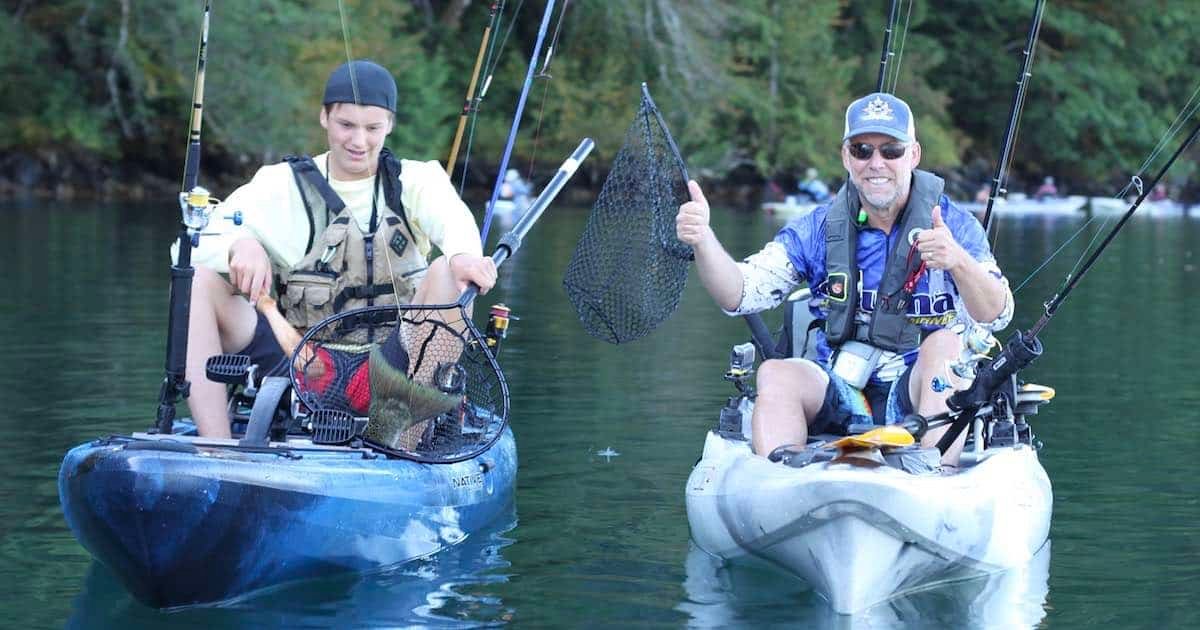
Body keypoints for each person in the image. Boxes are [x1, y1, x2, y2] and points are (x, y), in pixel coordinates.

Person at [676, 92, 1013, 466]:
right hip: (840, 391)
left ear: (913, 155)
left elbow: (996, 314)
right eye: (862, 149)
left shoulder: (955, 225)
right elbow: (740, 293)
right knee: (775, 372)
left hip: (918, 394)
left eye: (892, 150)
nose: (876, 163)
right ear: (846, 157)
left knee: (945, 346)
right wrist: (703, 240)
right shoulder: (818, 227)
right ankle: (785, 478)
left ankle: (936, 473)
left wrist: (958, 262)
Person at [175, 59, 497, 438]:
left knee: (446, 271)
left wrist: (463, 256)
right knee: (199, 281)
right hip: (296, 362)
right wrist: (239, 244)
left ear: (390, 125)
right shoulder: (278, 185)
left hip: (393, 363)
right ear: (325, 118)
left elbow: (454, 222)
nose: (359, 141)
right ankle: (216, 447)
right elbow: (189, 246)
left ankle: (409, 445)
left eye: (373, 128)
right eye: (347, 125)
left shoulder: (420, 181)